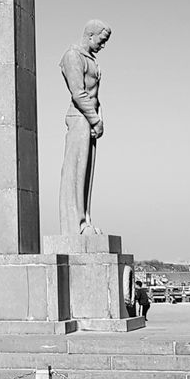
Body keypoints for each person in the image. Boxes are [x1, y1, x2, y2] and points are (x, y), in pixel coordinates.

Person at [58, 20, 111, 234]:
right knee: (75, 172)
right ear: (91, 35)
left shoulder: (90, 59)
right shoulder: (73, 56)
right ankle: (75, 225)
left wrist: (97, 119)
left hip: (89, 120)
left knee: (86, 173)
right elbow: (78, 93)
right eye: (102, 40)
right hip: (80, 118)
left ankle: (85, 221)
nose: (103, 45)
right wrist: (95, 119)